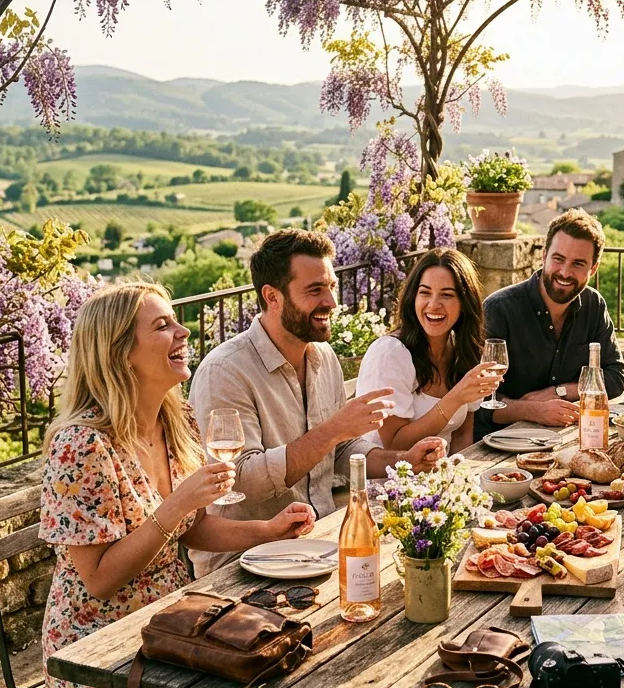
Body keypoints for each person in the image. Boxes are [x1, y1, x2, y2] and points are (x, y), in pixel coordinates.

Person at [39, 282, 319, 688]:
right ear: (120, 352)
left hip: (175, 621)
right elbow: (100, 579)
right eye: (162, 325)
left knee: (285, 673)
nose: (183, 331)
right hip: (99, 653)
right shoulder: (82, 447)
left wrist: (268, 530)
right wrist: (178, 504)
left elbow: (193, 529)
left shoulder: (177, 418)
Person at [189, 229, 446, 576]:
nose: (332, 303)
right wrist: (333, 429)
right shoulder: (224, 371)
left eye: (331, 287)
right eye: (315, 290)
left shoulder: (323, 357)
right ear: (272, 297)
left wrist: (404, 461)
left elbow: (340, 452)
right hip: (244, 563)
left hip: (317, 544)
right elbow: (242, 479)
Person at [476, 209, 624, 437]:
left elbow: (615, 377)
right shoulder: (499, 309)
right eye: (558, 259)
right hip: (499, 444)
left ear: (593, 269)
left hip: (565, 437)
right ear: (544, 255)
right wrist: (533, 410)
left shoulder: (594, 304)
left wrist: (560, 391)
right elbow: (479, 402)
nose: (565, 272)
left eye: (578, 264)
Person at [355, 248, 502, 452]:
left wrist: (461, 480)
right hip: (390, 479)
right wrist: (455, 398)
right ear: (413, 297)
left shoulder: (463, 351)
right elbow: (394, 445)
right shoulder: (390, 354)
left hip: (442, 477)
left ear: (464, 303)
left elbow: (461, 436)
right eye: (425, 292)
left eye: (447, 295)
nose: (433, 305)